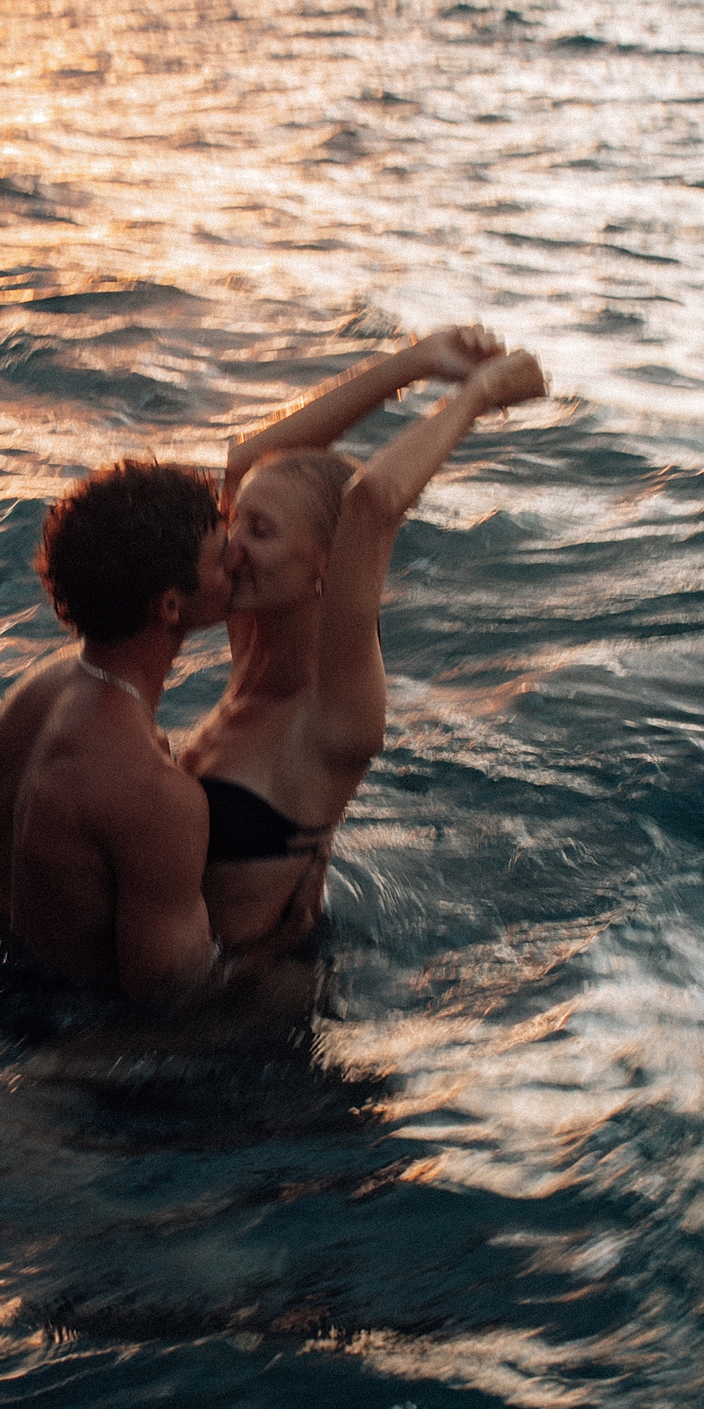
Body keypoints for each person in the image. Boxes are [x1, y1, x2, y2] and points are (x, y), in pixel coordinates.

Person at [179, 327, 547, 951]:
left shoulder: (335, 709)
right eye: (235, 523)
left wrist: (478, 394)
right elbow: (244, 465)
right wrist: (420, 360)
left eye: (259, 531)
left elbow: (372, 500)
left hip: (247, 1021)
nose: (230, 544)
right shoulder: (254, 637)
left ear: (327, 565)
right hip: (169, 993)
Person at [0, 458, 232, 1004]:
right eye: (225, 560)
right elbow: (172, 1011)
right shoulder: (155, 793)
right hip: (77, 1055)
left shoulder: (30, 698)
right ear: (170, 606)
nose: (241, 563)